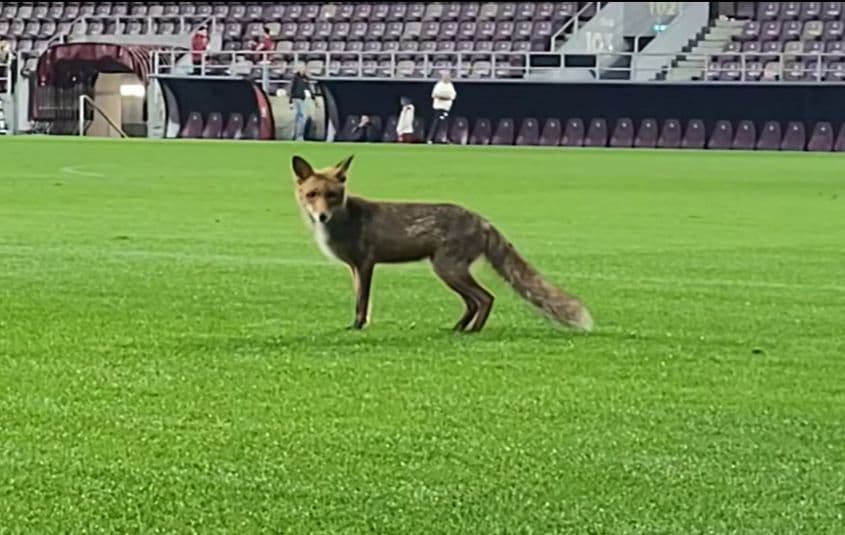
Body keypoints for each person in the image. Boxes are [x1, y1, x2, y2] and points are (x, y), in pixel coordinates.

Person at [426, 70, 456, 144]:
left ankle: (447, 138)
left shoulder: (450, 85)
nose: (446, 78)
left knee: (446, 124)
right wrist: (443, 96)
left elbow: (452, 96)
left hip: (447, 108)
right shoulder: (439, 85)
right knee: (436, 123)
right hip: (439, 107)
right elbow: (434, 95)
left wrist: (444, 97)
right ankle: (430, 139)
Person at [289, 65, 310, 141]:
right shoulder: (296, 78)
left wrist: (313, 97)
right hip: (296, 99)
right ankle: (297, 135)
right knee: (300, 117)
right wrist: (290, 101)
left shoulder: (305, 78)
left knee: (300, 118)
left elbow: (308, 88)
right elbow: (291, 89)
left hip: (302, 99)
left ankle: (297, 135)